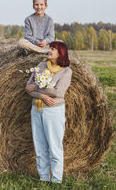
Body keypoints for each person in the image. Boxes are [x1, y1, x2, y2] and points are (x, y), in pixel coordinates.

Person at [25, 41, 72, 183]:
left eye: (52, 49)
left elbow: (58, 92)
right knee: (39, 146)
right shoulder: (40, 66)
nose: (49, 51)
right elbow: (28, 88)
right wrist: (42, 95)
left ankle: (57, 180)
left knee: (54, 146)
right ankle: (44, 178)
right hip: (37, 109)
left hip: (53, 111)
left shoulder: (66, 71)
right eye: (49, 48)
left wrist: (37, 89)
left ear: (60, 53)